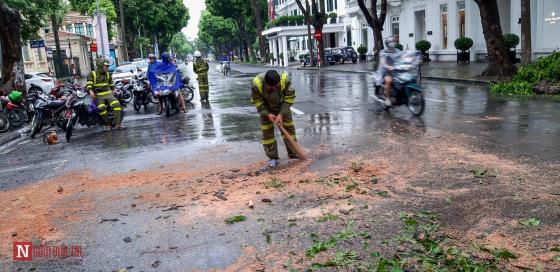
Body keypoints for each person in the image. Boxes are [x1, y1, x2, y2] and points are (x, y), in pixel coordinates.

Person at [251, 70, 297, 168]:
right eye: (271, 88)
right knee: (267, 135)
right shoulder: (256, 83)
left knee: (289, 130)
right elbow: (258, 102)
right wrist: (267, 114)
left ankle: (294, 154)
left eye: (276, 87)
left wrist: (281, 113)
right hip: (266, 108)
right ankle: (272, 157)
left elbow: (289, 98)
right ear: (266, 83)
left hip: (282, 107)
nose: (274, 89)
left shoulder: (284, 80)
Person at [86, 58, 125, 130]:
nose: (107, 67)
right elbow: (89, 84)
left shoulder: (108, 74)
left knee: (117, 104)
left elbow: (111, 83)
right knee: (101, 108)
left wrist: (114, 90)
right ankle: (107, 125)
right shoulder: (93, 74)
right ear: (101, 65)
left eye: (108, 66)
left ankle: (118, 124)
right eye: (106, 66)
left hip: (108, 94)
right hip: (98, 95)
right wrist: (91, 91)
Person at [378, 37, 402, 107]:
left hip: (397, 71)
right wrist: (387, 66)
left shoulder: (398, 51)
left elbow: (403, 58)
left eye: (394, 42)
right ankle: (387, 99)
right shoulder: (383, 52)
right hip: (387, 72)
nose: (393, 43)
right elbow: (383, 61)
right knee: (389, 80)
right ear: (387, 44)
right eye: (391, 42)